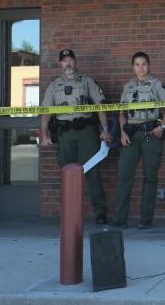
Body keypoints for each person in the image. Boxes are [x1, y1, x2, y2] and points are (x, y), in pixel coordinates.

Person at [39, 48, 112, 225]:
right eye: (65, 61)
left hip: (87, 131)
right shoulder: (54, 85)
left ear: (75, 62)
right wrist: (44, 134)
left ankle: (100, 211)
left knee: (93, 171)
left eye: (71, 60)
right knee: (67, 173)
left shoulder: (87, 81)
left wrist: (105, 129)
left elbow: (100, 106)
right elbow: (46, 113)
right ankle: (69, 213)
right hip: (65, 134)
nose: (68, 64)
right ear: (60, 64)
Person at [110, 52, 165, 229]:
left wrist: (162, 127)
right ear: (133, 67)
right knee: (124, 175)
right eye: (137, 64)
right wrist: (122, 133)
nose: (140, 68)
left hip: (150, 134)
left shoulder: (156, 85)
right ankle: (120, 218)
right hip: (131, 135)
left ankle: (146, 219)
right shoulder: (128, 86)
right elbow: (122, 113)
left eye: (143, 64)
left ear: (149, 65)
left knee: (150, 177)